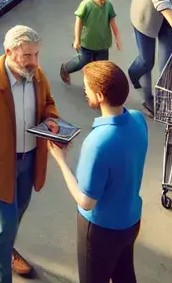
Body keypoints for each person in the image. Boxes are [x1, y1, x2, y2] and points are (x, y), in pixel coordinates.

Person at [0, 25, 60, 281]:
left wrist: (51, 119)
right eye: (28, 56)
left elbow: (49, 102)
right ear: (9, 52)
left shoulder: (37, 76)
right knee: (5, 223)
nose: (35, 62)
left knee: (16, 213)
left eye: (36, 54)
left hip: (29, 162)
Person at [46, 61, 147, 283]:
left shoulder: (97, 142)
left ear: (100, 96)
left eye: (87, 88)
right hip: (130, 220)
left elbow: (86, 201)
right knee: (124, 275)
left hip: (101, 229)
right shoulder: (139, 120)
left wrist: (61, 162)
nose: (85, 91)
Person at [61, 0, 122, 85]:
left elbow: (112, 22)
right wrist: (77, 40)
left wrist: (117, 38)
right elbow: (78, 21)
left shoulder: (108, 5)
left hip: (103, 44)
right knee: (82, 61)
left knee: (101, 67)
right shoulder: (86, 4)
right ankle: (66, 68)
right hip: (87, 43)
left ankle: (93, 87)